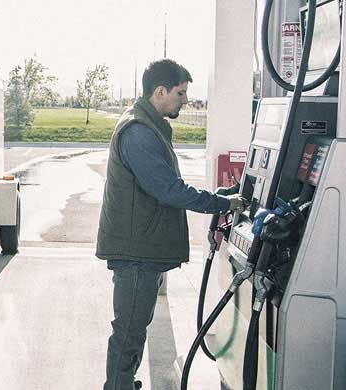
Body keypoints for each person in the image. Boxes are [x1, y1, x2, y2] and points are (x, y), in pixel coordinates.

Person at [96, 59, 247, 390]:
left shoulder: (148, 127)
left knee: (134, 325)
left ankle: (123, 383)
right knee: (130, 328)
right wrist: (222, 203)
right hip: (135, 251)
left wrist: (219, 195)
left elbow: (164, 185)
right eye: (180, 93)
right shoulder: (138, 132)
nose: (185, 100)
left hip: (141, 247)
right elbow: (169, 191)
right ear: (159, 91)